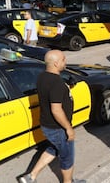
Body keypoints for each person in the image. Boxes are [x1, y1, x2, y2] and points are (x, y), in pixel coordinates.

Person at [18, 50, 85, 183]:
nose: (65, 62)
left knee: (53, 148)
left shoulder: (42, 76)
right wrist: (68, 129)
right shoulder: (56, 83)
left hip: (47, 125)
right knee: (67, 157)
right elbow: (56, 110)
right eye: (63, 60)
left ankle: (30, 177)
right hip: (57, 128)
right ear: (56, 63)